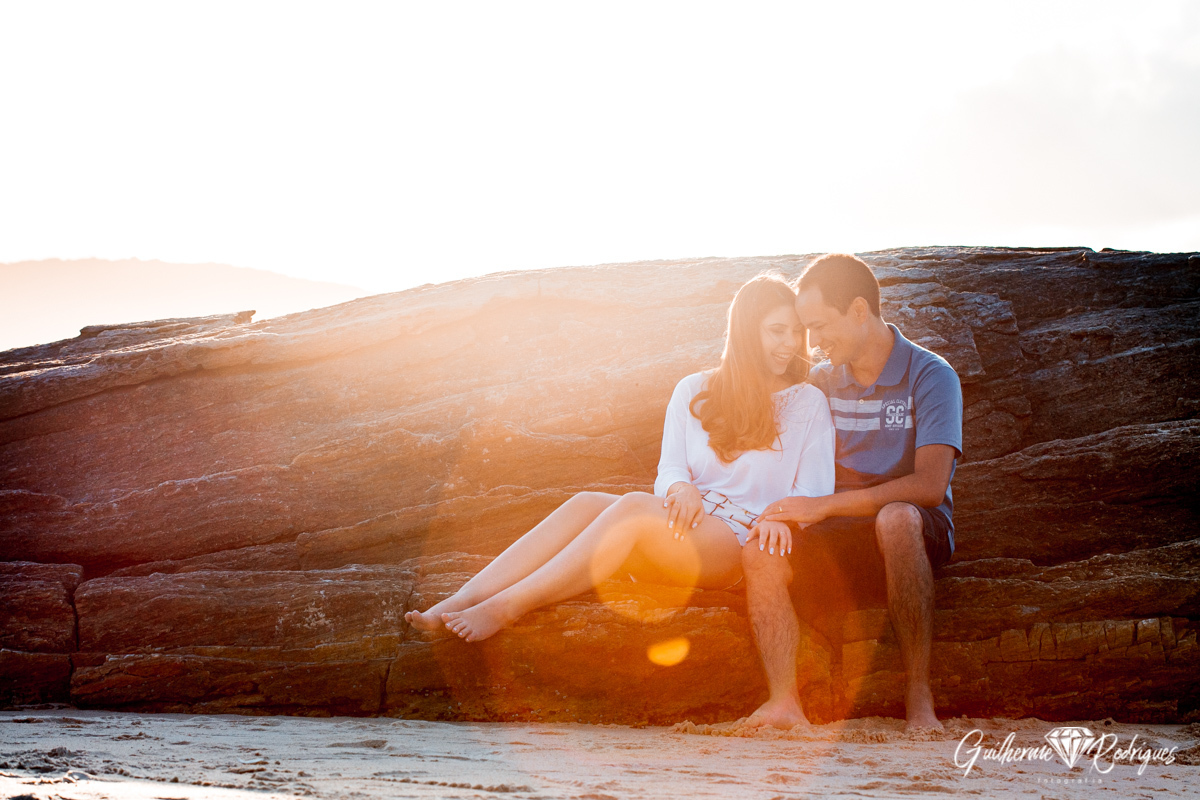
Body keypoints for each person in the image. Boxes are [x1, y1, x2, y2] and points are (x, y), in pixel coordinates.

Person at [404, 274, 835, 642]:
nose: (791, 343)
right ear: (745, 332)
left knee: (630, 508)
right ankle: (461, 599)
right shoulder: (694, 390)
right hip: (688, 521)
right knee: (587, 502)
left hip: (741, 539)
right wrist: (680, 486)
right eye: (777, 331)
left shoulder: (807, 402)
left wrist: (779, 519)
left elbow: (815, 492)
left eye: (796, 332)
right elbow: (668, 470)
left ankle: (508, 606)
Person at [742, 253, 962, 732]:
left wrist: (824, 506)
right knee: (761, 546)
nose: (813, 343)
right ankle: (783, 701)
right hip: (838, 533)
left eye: (820, 326)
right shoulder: (820, 381)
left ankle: (918, 699)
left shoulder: (931, 375)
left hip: (913, 534)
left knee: (896, 518)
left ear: (859, 311)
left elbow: (929, 485)